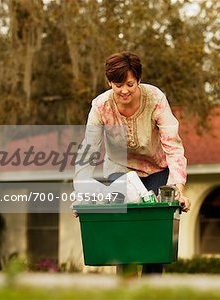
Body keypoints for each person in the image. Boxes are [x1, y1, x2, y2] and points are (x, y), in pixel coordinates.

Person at [73, 51, 190, 275]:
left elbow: (173, 145)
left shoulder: (155, 99)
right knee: (125, 235)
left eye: (130, 83)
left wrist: (178, 189)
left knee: (154, 237)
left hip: (156, 169)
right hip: (121, 171)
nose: (124, 90)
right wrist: (81, 193)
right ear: (109, 82)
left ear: (139, 79)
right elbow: (89, 148)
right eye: (118, 85)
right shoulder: (100, 107)